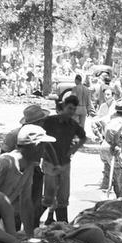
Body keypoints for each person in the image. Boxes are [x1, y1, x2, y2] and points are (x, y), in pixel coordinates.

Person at [0, 123, 54, 234]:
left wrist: (30, 235)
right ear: (36, 146)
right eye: (43, 147)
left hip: (0, 219)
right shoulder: (4, 163)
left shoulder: (29, 166)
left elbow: (25, 203)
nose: (44, 151)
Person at [39, 93, 88, 223]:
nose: (72, 112)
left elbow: (83, 137)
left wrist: (73, 149)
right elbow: (40, 137)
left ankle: (63, 224)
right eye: (69, 108)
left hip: (65, 163)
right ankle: (33, 220)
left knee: (63, 197)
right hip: (49, 162)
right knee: (48, 196)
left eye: (74, 109)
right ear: (64, 107)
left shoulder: (73, 125)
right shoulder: (50, 121)